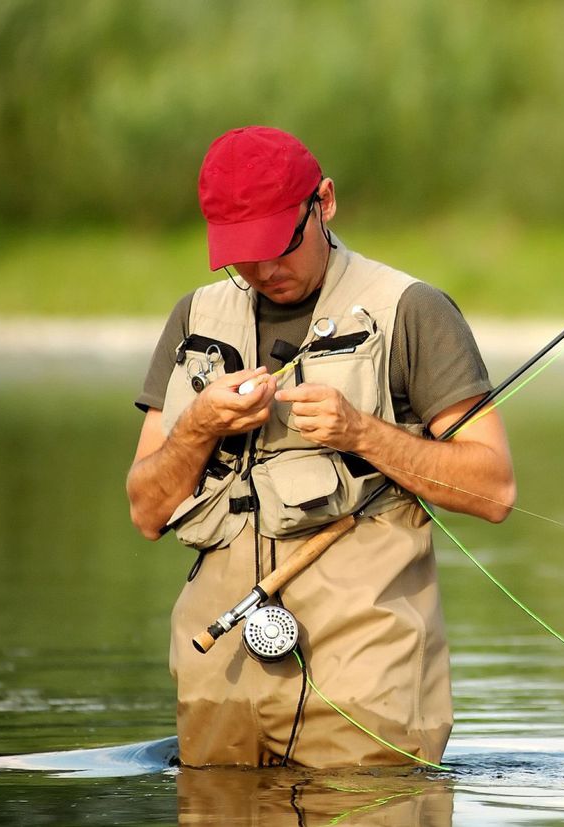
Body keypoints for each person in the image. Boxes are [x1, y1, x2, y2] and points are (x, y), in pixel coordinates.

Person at [126, 125, 515, 769]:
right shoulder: (192, 319)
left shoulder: (413, 310)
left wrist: (361, 432)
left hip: (368, 685)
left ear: (324, 202)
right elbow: (145, 512)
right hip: (216, 676)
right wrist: (196, 424)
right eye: (242, 255)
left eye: (280, 245)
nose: (266, 271)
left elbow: (495, 489)